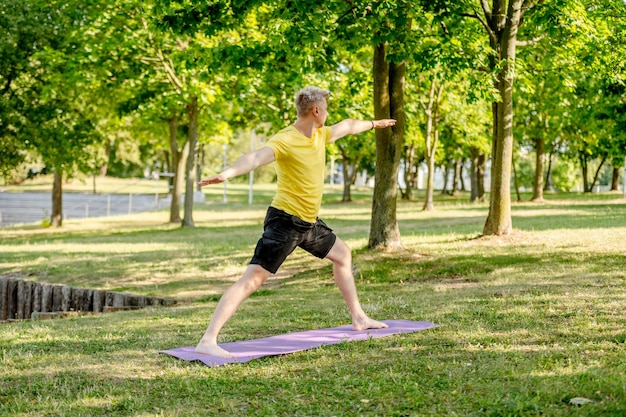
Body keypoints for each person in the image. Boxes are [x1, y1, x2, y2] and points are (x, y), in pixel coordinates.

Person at [195, 86, 397, 357]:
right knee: (253, 278)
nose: (327, 114)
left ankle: (359, 318)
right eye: (325, 109)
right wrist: (225, 175)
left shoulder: (320, 135)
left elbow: (348, 126)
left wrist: (374, 124)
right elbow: (254, 158)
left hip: (308, 223)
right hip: (285, 223)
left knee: (342, 255)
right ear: (316, 111)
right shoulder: (286, 139)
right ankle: (208, 339)